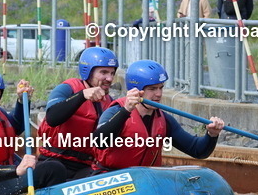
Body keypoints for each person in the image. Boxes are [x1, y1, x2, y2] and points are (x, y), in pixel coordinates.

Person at [91, 59, 225, 171]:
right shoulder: (115, 111)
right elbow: (99, 142)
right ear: (136, 90)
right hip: (112, 179)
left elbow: (197, 150)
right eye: (152, 89)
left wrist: (212, 135)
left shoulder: (164, 120)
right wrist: (126, 111)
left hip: (144, 183)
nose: (159, 94)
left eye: (161, 87)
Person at [38, 46, 118, 181]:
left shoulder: (109, 103)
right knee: (56, 169)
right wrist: (82, 95)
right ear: (88, 71)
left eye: (112, 73)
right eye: (104, 72)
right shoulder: (66, 89)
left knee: (103, 177)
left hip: (83, 167)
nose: (109, 78)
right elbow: (52, 118)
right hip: (52, 162)